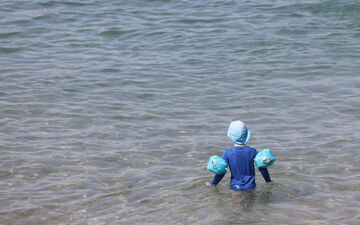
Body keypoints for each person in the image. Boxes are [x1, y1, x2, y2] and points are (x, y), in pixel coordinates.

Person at [205, 120, 271, 190]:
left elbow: (221, 171)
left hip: (235, 187)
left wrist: (213, 183)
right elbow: (262, 167)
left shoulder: (227, 153)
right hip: (251, 187)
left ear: (230, 135)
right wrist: (268, 181)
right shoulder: (252, 151)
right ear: (246, 135)